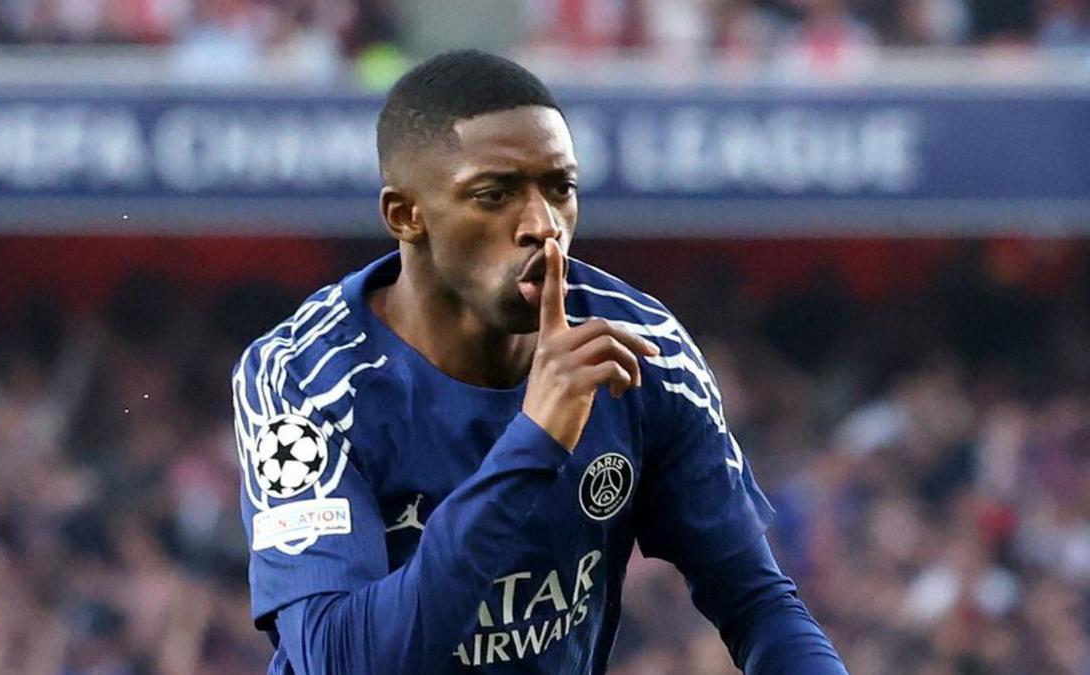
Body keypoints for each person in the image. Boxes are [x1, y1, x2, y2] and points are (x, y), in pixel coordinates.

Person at [232, 50, 848, 674]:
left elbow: (757, 603)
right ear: (406, 215)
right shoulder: (302, 383)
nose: (542, 224)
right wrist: (533, 444)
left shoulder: (640, 348)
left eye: (560, 189)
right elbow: (339, 661)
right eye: (494, 194)